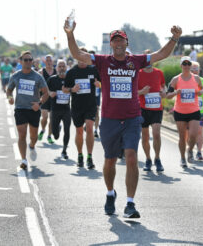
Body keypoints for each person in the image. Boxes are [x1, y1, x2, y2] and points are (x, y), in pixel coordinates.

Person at [64, 19, 182, 218]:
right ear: (111, 44)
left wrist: (174, 38)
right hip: (110, 119)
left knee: (131, 157)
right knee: (109, 161)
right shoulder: (102, 61)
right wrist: (69, 34)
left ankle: (130, 203)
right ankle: (110, 193)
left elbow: (160, 55)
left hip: (132, 118)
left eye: (122, 41)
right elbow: (77, 54)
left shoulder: (135, 61)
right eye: (115, 41)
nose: (118, 44)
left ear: (127, 43)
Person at [7, 51, 49, 170]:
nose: (28, 62)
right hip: (20, 108)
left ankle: (32, 146)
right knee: (21, 134)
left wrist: (39, 103)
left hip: (33, 109)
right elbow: (9, 90)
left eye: (30, 60)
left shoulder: (37, 76)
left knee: (34, 136)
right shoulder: (15, 76)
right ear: (21, 61)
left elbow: (46, 93)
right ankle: (24, 160)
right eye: (26, 60)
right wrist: (10, 98)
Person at [62, 47, 100, 169]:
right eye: (80, 57)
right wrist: (72, 89)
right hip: (77, 106)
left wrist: (98, 84)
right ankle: (80, 155)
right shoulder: (72, 72)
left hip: (90, 105)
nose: (82, 60)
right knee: (79, 131)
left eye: (84, 57)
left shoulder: (93, 70)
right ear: (76, 58)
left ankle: (89, 156)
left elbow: (102, 83)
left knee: (89, 128)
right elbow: (64, 89)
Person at [166, 56, 203, 168]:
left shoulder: (196, 78)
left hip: (194, 111)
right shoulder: (175, 79)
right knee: (182, 137)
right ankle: (182, 158)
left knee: (193, 135)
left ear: (191, 66)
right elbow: (167, 95)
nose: (187, 66)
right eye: (184, 64)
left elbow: (202, 90)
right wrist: (176, 93)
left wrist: (200, 92)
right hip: (180, 112)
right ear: (181, 66)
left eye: (188, 64)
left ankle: (190, 150)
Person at [138, 49, 166, 172]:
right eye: (146, 59)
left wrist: (164, 92)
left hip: (156, 108)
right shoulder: (138, 73)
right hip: (143, 108)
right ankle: (148, 159)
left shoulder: (159, 73)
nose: (149, 61)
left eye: (151, 58)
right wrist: (141, 92)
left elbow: (163, 86)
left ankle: (157, 158)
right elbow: (132, 92)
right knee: (145, 136)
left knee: (156, 133)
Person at [47, 59, 71, 159]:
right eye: (60, 66)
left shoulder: (70, 79)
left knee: (67, 130)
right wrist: (50, 93)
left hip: (66, 109)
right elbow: (45, 89)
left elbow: (74, 89)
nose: (61, 68)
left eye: (63, 66)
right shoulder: (52, 79)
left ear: (66, 68)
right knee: (55, 135)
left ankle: (64, 150)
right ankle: (57, 130)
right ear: (56, 68)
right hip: (55, 109)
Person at [190, 61, 203, 161]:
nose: (194, 71)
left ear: (199, 70)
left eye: (196, 69)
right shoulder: (186, 80)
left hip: (200, 110)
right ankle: (189, 150)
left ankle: (199, 152)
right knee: (189, 133)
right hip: (188, 110)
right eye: (192, 69)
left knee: (199, 131)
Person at [38, 54, 56, 144]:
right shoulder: (41, 72)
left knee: (52, 119)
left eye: (50, 60)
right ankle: (43, 130)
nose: (49, 62)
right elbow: (38, 84)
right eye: (47, 60)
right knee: (44, 117)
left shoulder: (56, 71)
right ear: (44, 62)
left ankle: (49, 136)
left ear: (52, 62)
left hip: (54, 98)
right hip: (44, 97)